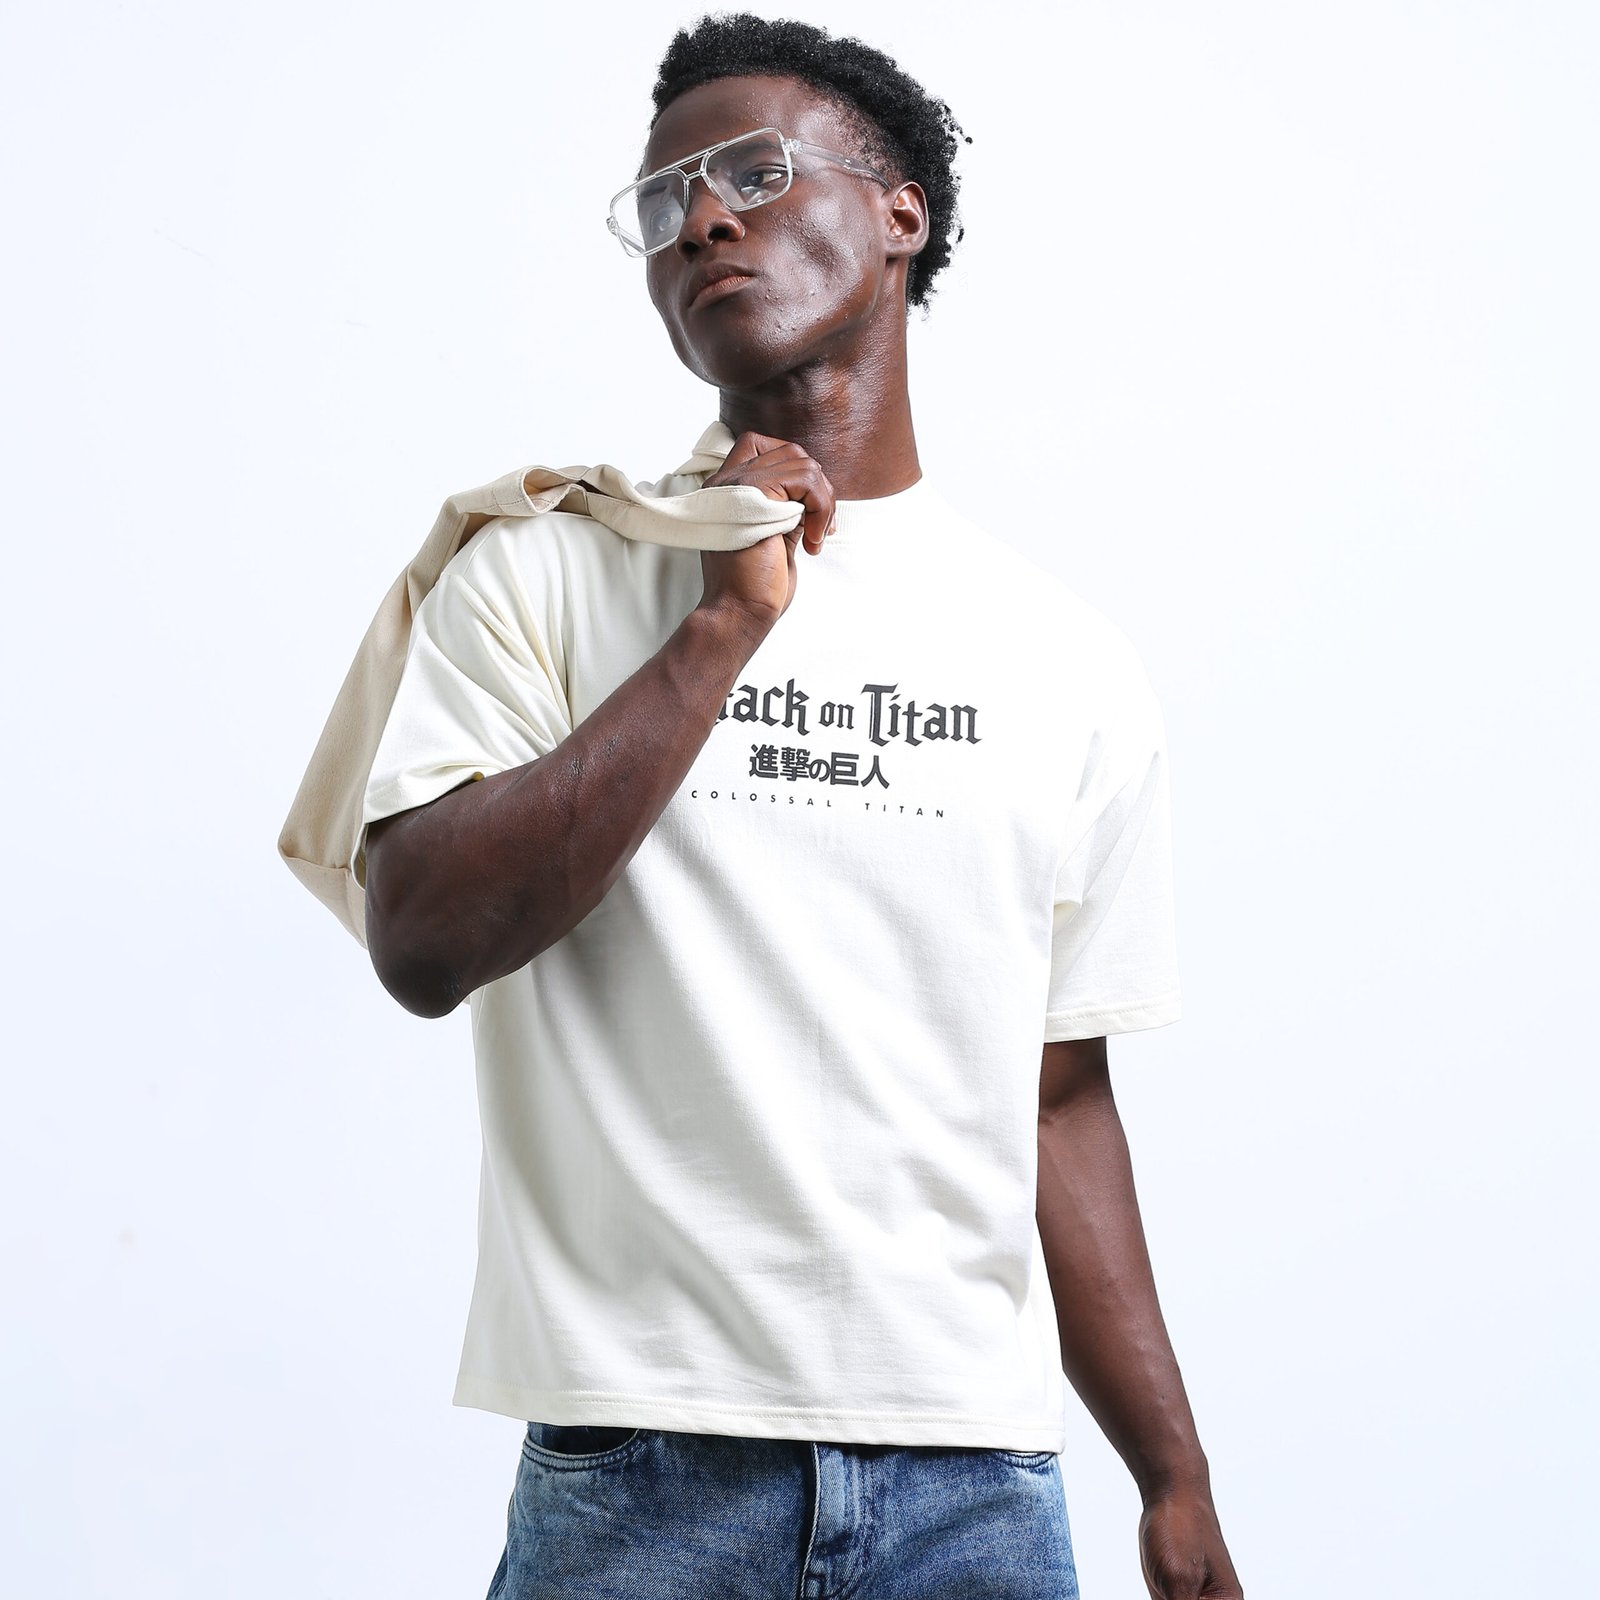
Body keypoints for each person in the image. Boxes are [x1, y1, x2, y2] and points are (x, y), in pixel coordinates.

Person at [353, 13, 1242, 1599]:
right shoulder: (543, 573)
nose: (703, 217)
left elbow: (1057, 1100)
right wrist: (719, 630)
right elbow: (420, 939)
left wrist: (1173, 1478)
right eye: (665, 199)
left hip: (976, 1486)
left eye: (755, 171)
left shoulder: (1065, 662)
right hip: (641, 1479)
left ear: (902, 212)